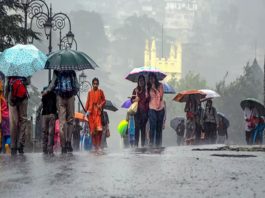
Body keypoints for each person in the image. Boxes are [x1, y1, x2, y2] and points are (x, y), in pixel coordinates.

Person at [44, 70, 79, 154]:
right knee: (70, 121)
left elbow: (52, 84)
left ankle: (63, 146)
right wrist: (75, 91)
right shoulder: (72, 71)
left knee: (62, 123)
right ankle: (68, 142)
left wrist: (46, 91)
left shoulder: (56, 71)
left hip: (60, 97)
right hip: (70, 97)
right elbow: (77, 85)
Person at [4, 76, 30, 155]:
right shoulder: (25, 68)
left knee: (13, 123)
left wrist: (5, 99)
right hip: (23, 97)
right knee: (23, 120)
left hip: (12, 98)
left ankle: (13, 146)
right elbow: (28, 82)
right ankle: (20, 144)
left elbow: (6, 86)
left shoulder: (10, 68)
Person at [85, 78, 106, 152]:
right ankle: (94, 146)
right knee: (93, 131)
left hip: (98, 113)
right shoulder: (89, 93)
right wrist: (86, 111)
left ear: (98, 84)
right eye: (94, 83)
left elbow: (104, 100)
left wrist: (100, 105)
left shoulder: (101, 92)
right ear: (92, 84)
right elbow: (87, 102)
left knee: (99, 130)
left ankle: (99, 146)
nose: (95, 85)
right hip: (91, 114)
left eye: (96, 83)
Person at [131, 75, 149, 147]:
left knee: (143, 129)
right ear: (138, 82)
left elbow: (148, 100)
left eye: (142, 80)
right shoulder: (135, 90)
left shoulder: (146, 91)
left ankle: (143, 145)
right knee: (137, 129)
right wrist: (135, 99)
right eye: (140, 80)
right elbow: (131, 100)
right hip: (137, 112)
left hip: (144, 112)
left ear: (144, 82)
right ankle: (136, 145)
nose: (141, 82)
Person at [147, 73, 165, 147]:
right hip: (152, 108)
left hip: (160, 108)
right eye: (150, 78)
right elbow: (147, 97)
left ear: (155, 78)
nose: (151, 80)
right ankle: (151, 143)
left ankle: (158, 144)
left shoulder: (160, 85)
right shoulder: (147, 87)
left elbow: (160, 97)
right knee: (152, 125)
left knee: (159, 127)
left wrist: (154, 88)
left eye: (152, 78)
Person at [41, 86, 57, 154]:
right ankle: (50, 149)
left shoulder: (44, 94)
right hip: (52, 114)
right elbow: (56, 105)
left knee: (44, 132)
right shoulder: (54, 94)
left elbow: (42, 104)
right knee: (51, 133)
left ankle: (44, 149)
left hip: (44, 115)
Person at [0, 80, 10, 153]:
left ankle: (1, 149)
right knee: (8, 134)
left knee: (1, 134)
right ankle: (7, 144)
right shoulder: (3, 98)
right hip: (6, 117)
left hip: (1, 118)